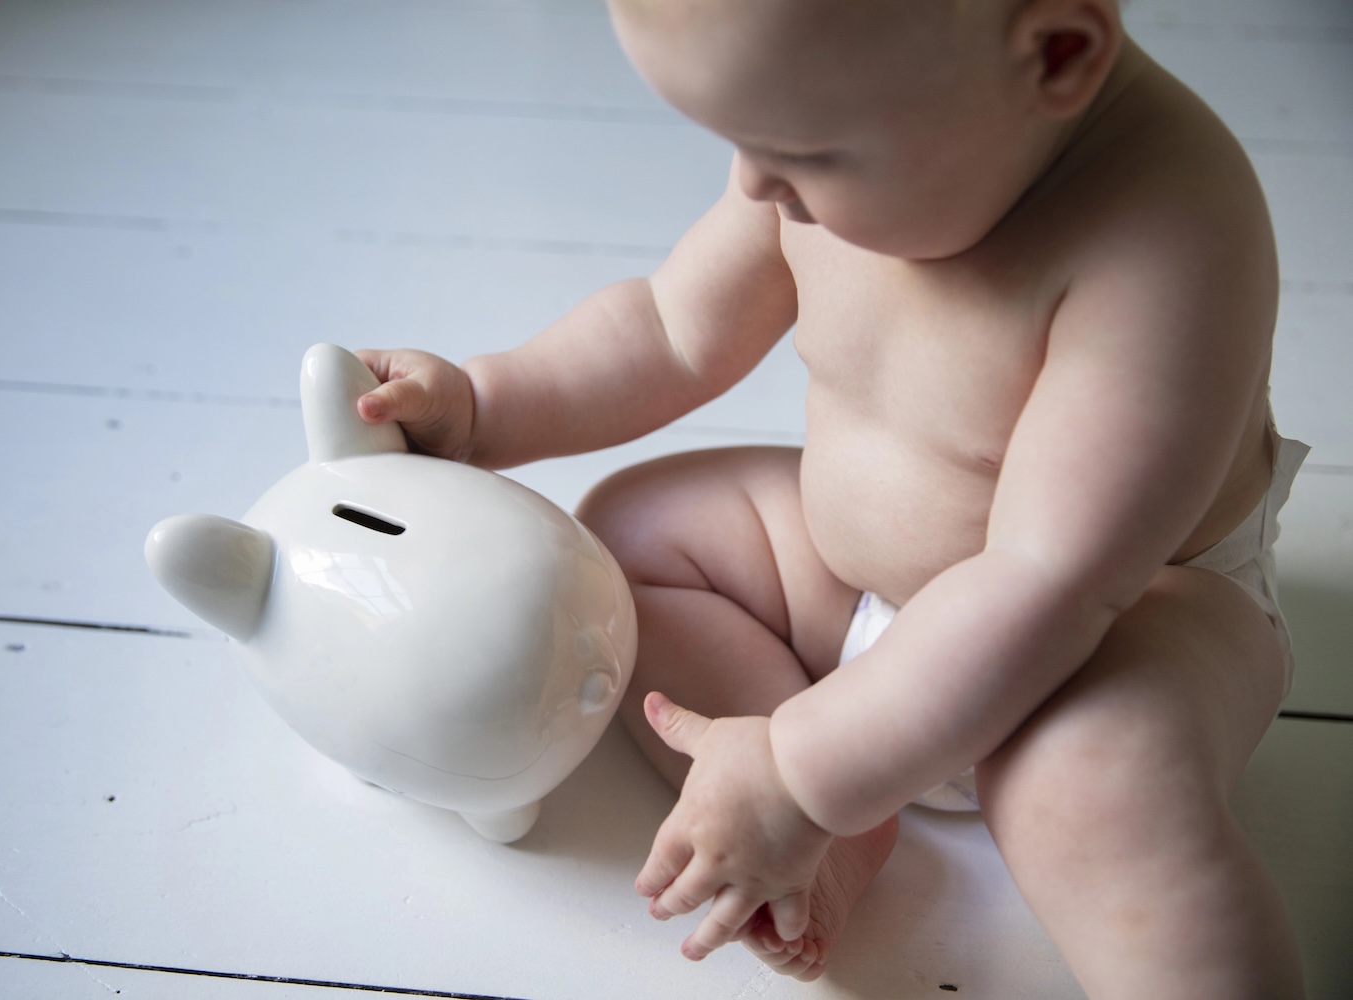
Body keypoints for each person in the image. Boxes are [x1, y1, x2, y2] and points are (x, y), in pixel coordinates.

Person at [352, 0, 1308, 994]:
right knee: (631, 536)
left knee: (1089, 796)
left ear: (1056, 54)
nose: (758, 184)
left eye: (801, 151)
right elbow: (671, 328)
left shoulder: (1167, 239)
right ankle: (829, 823)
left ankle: (819, 791)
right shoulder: (845, 138)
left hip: (1107, 635)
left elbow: (1051, 580)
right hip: (856, 586)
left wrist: (807, 768)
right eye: (740, 141)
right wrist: (485, 404)